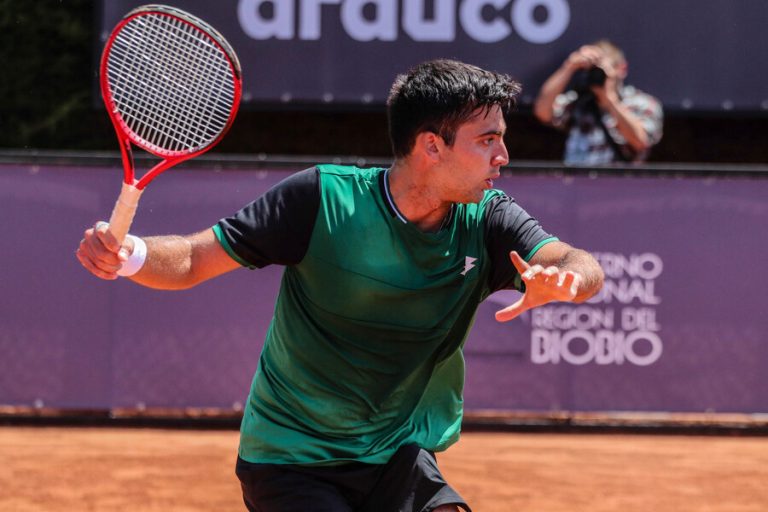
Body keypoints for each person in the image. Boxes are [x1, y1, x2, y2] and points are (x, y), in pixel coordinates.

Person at [77, 59, 604, 512]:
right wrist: (131, 255)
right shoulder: (321, 200)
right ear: (431, 147)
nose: (502, 156)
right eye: (487, 140)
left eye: (501, 140)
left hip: (398, 454)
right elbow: (193, 259)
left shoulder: (490, 220)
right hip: (290, 458)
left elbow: (577, 261)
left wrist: (567, 280)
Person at [534, 39, 663, 165]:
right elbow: (543, 112)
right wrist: (569, 66)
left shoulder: (643, 103)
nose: (597, 75)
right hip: (576, 182)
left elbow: (641, 142)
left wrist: (609, 100)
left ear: (621, 69)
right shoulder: (579, 101)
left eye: (601, 71)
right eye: (593, 71)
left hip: (619, 183)